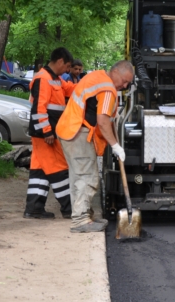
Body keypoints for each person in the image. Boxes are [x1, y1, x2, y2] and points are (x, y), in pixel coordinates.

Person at [56, 60, 134, 233]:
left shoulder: (97, 76)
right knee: (87, 177)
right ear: (116, 72)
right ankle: (80, 220)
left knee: (79, 176)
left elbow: (107, 119)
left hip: (71, 129)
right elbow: (103, 120)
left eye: (128, 83)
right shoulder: (108, 89)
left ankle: (84, 215)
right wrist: (116, 146)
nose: (125, 85)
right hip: (79, 133)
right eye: (125, 81)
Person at [24, 47, 76, 219]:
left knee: (39, 171)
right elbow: (39, 108)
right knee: (59, 168)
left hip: (45, 133)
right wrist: (46, 131)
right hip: (46, 135)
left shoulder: (55, 79)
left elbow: (70, 89)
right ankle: (69, 209)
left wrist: (90, 85)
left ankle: (34, 209)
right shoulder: (44, 78)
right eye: (67, 66)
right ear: (60, 61)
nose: (68, 70)